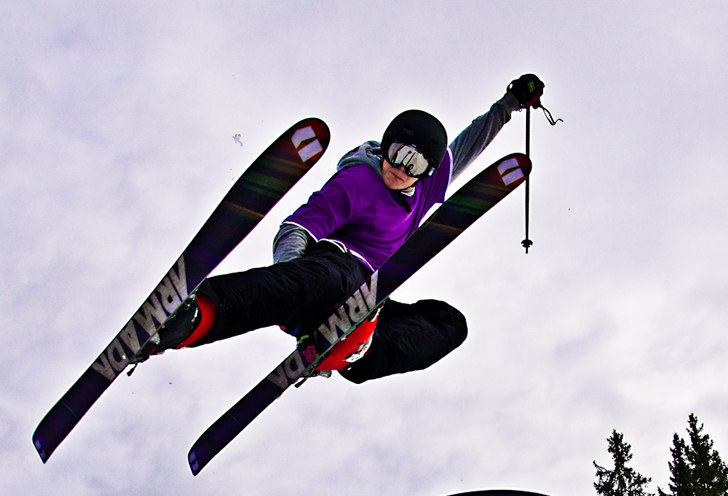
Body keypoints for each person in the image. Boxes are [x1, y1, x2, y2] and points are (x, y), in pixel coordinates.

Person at [145, 74, 544, 383]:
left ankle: (352, 351)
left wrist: (510, 104)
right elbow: (296, 228)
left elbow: (469, 142)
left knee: (447, 323)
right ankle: (195, 317)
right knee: (338, 276)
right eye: (398, 154)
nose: (400, 169)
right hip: (329, 276)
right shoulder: (359, 182)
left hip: (367, 304)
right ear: (386, 145)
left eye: (415, 165)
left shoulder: (425, 189)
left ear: (429, 172)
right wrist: (289, 283)